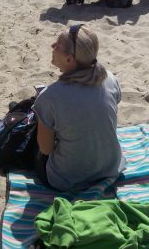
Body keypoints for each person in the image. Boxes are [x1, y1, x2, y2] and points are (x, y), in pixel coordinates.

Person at [33, 24, 125, 191]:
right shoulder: (110, 79)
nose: (52, 46)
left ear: (69, 59)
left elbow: (46, 149)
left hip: (67, 179)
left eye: (57, 45)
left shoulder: (50, 97)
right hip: (111, 168)